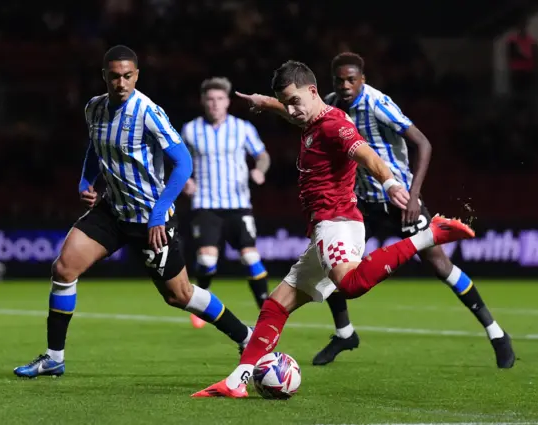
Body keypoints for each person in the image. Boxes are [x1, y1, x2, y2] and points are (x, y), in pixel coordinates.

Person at [191, 60, 475, 398]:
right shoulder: (311, 122)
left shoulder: (334, 123)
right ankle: (238, 381)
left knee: (351, 285)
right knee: (276, 305)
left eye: (295, 101)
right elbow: (293, 112)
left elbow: (365, 153)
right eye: (286, 102)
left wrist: (388, 184)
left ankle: (430, 235)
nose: (292, 110)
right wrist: (267, 104)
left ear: (313, 92)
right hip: (323, 229)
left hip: (337, 223)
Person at [13, 45, 252, 378]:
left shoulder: (148, 112)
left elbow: (183, 163)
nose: (121, 83)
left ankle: (246, 337)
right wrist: (86, 181)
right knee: (64, 268)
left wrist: (159, 214)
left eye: (127, 76)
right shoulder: (94, 109)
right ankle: (54, 358)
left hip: (150, 218)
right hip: (113, 210)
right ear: (104, 77)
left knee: (179, 295)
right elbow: (96, 149)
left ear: (136, 76)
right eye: (114, 76)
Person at [312, 52, 515, 368]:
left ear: (362, 79)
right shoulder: (330, 104)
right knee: (334, 263)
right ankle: (344, 333)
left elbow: (423, 143)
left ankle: (497, 334)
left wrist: (415, 195)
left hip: (399, 199)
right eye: (339, 79)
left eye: (351, 79)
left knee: (440, 266)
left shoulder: (378, 104)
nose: (345, 85)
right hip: (361, 202)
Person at [181, 77, 270, 328]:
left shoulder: (243, 128)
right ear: (202, 102)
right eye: (210, 99)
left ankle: (266, 312)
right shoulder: (191, 130)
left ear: (228, 102)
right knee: (207, 260)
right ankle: (200, 303)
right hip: (205, 203)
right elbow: (179, 160)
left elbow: (262, 156)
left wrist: (259, 170)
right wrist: (186, 180)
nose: (215, 104)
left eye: (220, 99)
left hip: (238, 202)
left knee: (251, 258)